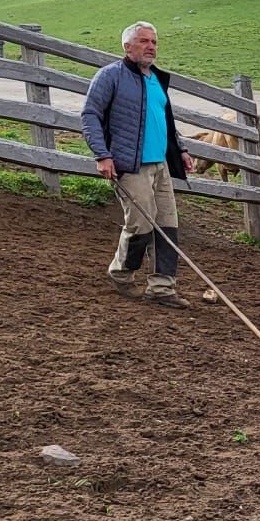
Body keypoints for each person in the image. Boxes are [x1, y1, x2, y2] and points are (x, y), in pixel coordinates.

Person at [81, 21, 195, 307]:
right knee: (141, 225)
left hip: (160, 166)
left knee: (167, 224)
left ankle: (161, 287)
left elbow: (164, 120)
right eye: (144, 41)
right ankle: (121, 274)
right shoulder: (110, 76)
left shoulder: (157, 80)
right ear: (127, 46)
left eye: (154, 42)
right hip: (129, 166)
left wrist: (180, 149)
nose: (151, 47)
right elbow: (90, 115)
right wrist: (102, 155)